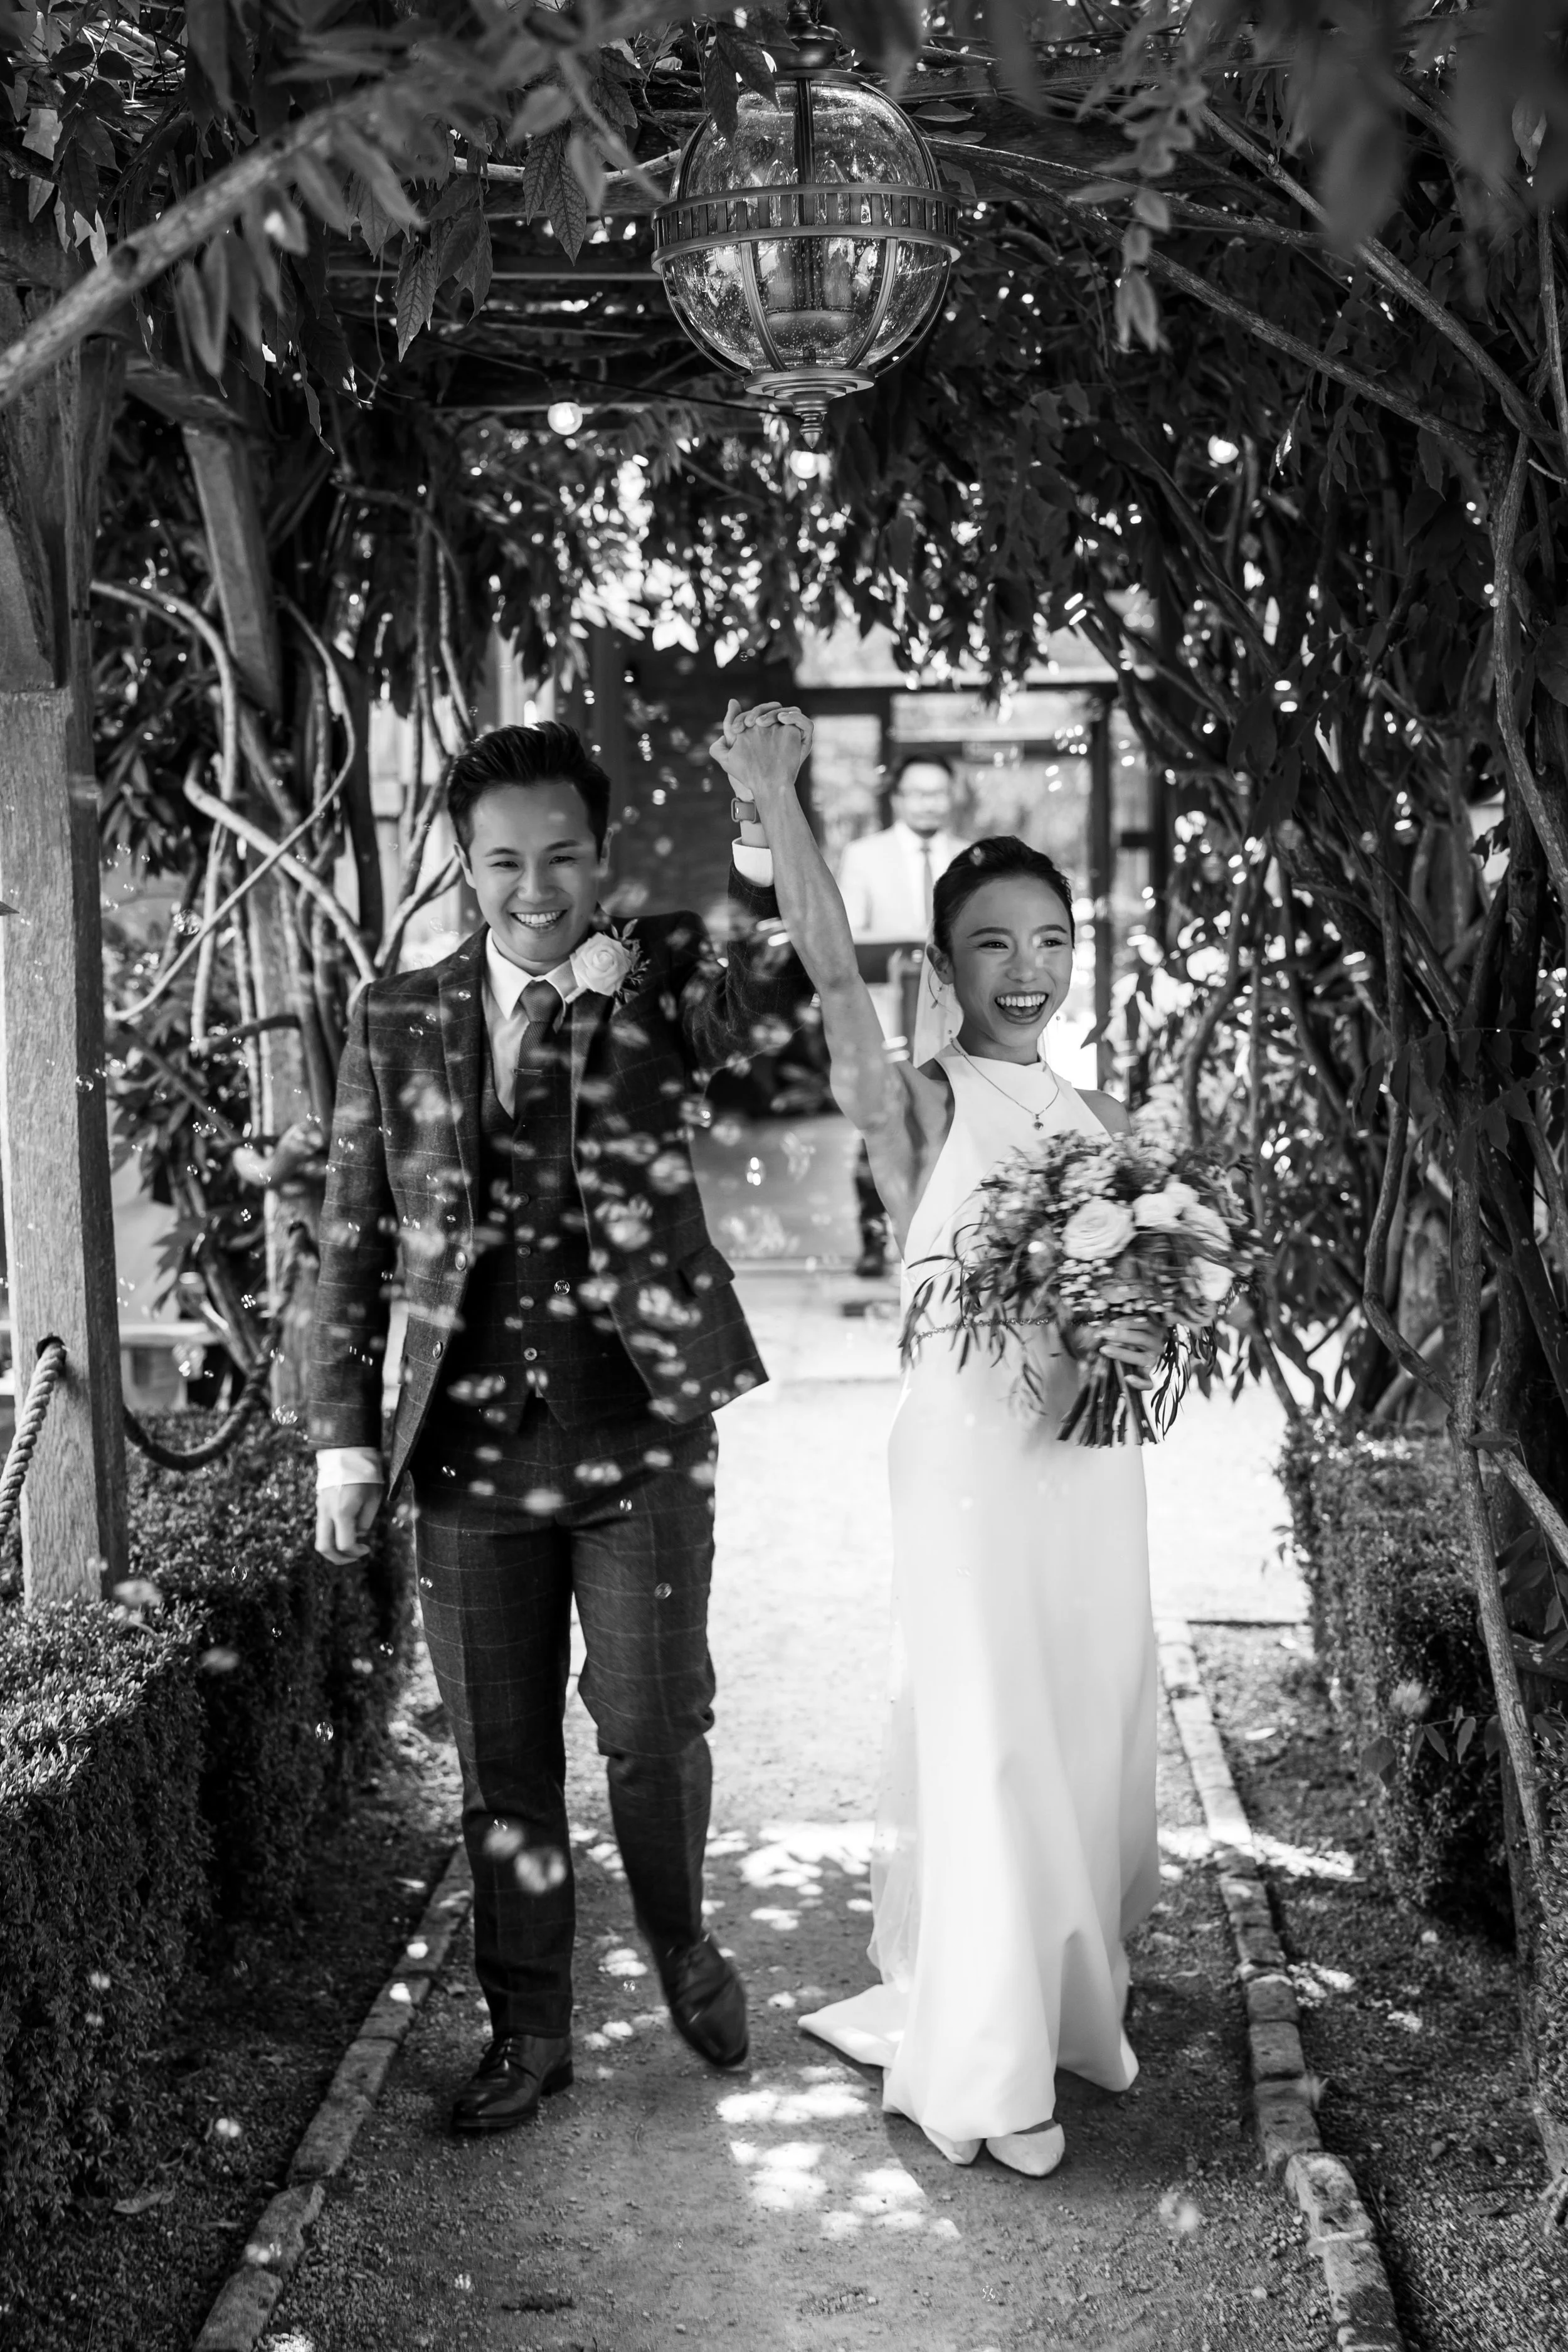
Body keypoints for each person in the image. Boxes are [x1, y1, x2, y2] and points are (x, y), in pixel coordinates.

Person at [308, 716, 805, 2136]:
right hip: (465, 1452)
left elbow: (764, 1009)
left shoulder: (656, 978)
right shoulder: (396, 1014)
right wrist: (344, 1436)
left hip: (638, 1430)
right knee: (503, 1770)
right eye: (505, 861)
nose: (539, 889)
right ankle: (528, 2025)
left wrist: (758, 817)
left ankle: (682, 1942)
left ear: (604, 855)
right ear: (465, 866)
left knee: (656, 1726)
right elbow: (350, 1230)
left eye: (565, 857)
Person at [711, 705, 1158, 2179]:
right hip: (967, 1463)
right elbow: (833, 971)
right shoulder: (918, 1096)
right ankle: (978, 2060)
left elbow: (1132, 1293)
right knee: (989, 1743)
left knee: (1080, 1725)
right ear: (945, 963)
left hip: (1085, 1473)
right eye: (990, 944)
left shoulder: (1096, 1113)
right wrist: (773, 796)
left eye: (1049, 940)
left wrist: (1142, 1330)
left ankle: (1057, 1996)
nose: (1025, 971)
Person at [835, 755, 969, 1278]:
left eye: (938, 793)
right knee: (879, 1124)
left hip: (957, 1022)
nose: (928, 802)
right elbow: (847, 940)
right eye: (918, 793)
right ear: (899, 798)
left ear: (951, 797)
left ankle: (953, 1236)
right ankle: (875, 1237)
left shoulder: (971, 859)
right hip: (889, 1018)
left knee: (955, 1123)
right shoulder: (864, 857)